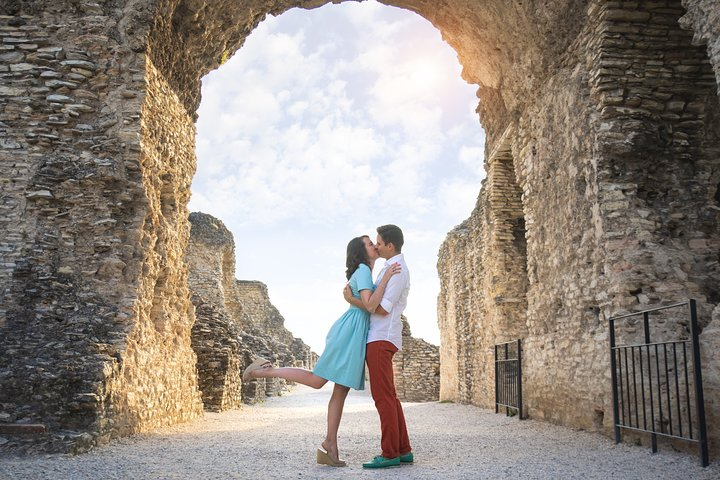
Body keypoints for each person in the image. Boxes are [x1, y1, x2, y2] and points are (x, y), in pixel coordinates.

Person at [242, 235, 400, 468]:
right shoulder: (364, 271)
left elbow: (365, 304)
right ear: (361, 251)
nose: (374, 245)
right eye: (369, 243)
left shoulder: (364, 271)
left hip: (355, 332)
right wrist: (386, 277)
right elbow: (369, 305)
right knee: (318, 380)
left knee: (340, 391)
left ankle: (330, 443)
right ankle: (263, 371)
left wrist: (359, 294)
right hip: (350, 332)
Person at [344, 224, 412, 469]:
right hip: (381, 337)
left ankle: (389, 453)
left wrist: (351, 300)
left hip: (381, 338)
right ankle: (403, 450)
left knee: (383, 398)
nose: (377, 246)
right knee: (390, 397)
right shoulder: (390, 268)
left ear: (390, 246)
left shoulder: (397, 270)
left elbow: (381, 308)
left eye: (379, 243)